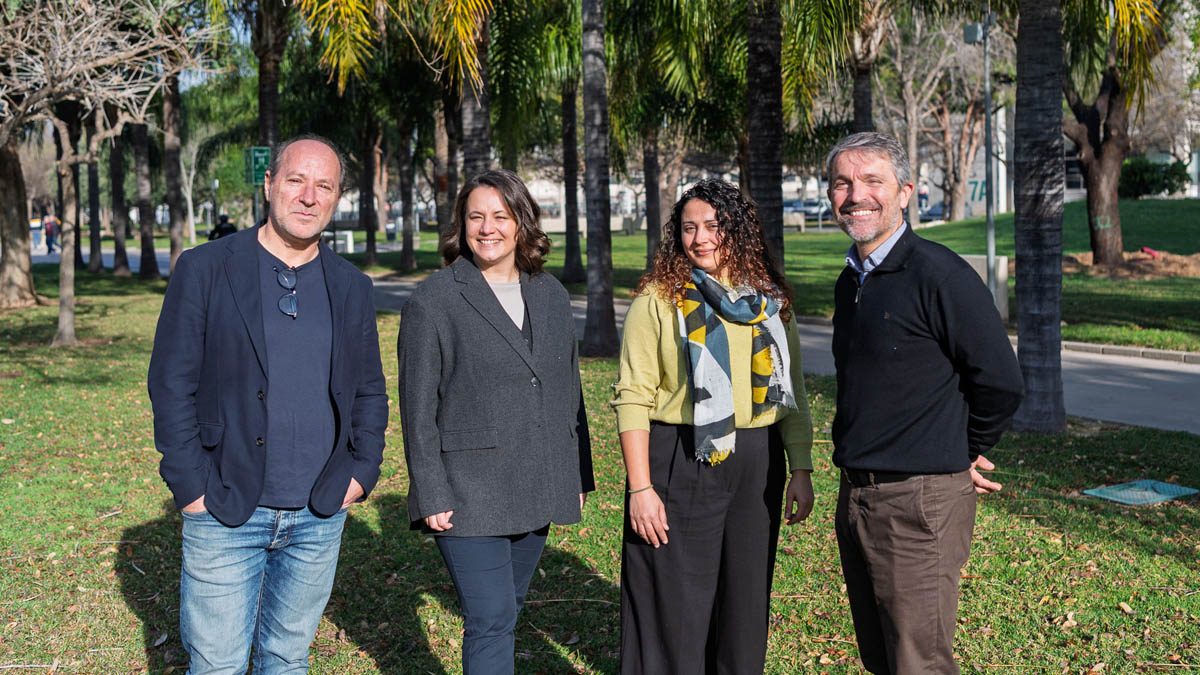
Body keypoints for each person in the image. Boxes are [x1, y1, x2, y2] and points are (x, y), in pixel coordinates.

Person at [147, 134, 388, 674]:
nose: (309, 196)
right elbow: (171, 382)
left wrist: (361, 471)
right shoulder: (207, 267)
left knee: (287, 659)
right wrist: (191, 487)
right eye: (296, 180)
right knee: (218, 665)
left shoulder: (352, 285)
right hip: (224, 506)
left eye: (324, 185)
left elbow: (369, 389)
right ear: (269, 184)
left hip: (320, 512)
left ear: (337, 197)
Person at [824, 132, 1024, 674]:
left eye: (872, 181)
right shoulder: (852, 281)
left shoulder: (940, 275)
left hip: (918, 503)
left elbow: (1001, 381)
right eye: (842, 183)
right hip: (857, 497)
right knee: (882, 658)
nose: (855, 195)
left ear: (905, 192)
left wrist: (964, 450)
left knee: (919, 663)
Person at [612, 179, 815, 674]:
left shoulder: (770, 304)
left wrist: (801, 469)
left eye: (713, 225)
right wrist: (640, 488)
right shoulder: (658, 301)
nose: (700, 238)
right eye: (689, 228)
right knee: (675, 604)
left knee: (745, 602)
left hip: (757, 463)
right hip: (680, 458)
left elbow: (793, 394)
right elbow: (632, 396)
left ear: (738, 230)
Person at [397, 169, 594, 675]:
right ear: (460, 226)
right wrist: (430, 491)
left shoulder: (550, 294)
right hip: (468, 492)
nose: (488, 228)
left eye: (500, 216)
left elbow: (568, 390)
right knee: (491, 618)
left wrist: (576, 474)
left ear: (521, 223)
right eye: (476, 217)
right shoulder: (433, 300)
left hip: (537, 483)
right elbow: (417, 408)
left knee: (507, 611)